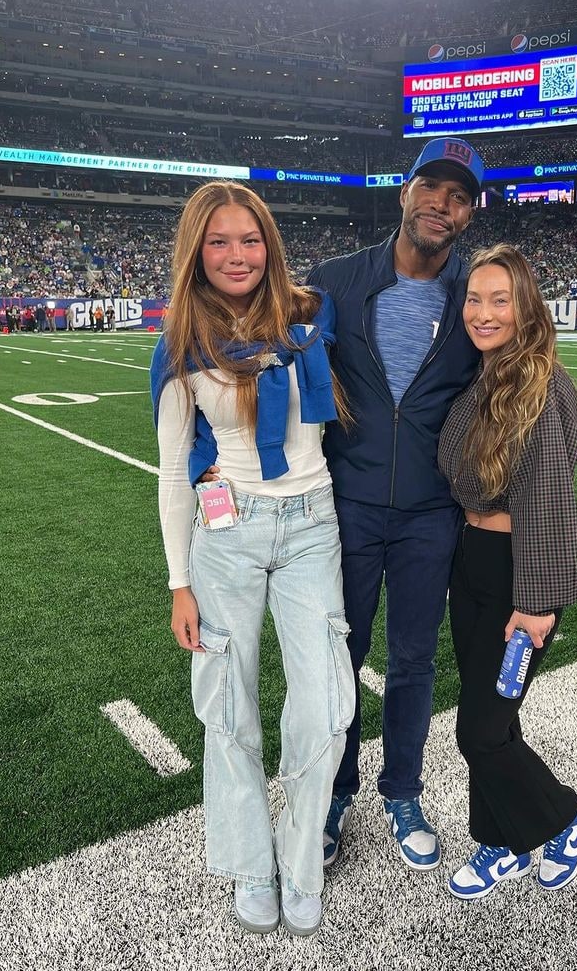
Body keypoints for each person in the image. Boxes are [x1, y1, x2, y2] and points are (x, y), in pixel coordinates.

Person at [150, 180, 354, 937]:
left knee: (324, 705)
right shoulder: (182, 340)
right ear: (195, 252)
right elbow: (175, 468)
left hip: (311, 523)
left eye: (249, 238)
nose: (236, 255)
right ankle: (250, 862)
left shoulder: (310, 314)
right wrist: (178, 581)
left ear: (268, 243)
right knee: (227, 708)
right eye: (217, 241)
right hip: (226, 534)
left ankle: (301, 861)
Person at [307, 137, 483, 872]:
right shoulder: (335, 282)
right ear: (403, 193)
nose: (442, 203)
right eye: (431, 187)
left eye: (459, 195)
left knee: (413, 659)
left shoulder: (475, 294)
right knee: (337, 659)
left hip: (428, 513)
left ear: (469, 213)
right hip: (345, 507)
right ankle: (335, 790)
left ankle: (402, 789)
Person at [437, 244, 577, 901]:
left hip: (515, 572)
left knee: (476, 729)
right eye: (474, 298)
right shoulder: (485, 375)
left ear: (525, 305)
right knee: (498, 723)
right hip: (471, 565)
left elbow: (547, 495)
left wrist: (534, 602)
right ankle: (499, 841)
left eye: (499, 299)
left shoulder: (539, 379)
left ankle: (563, 814)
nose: (483, 311)